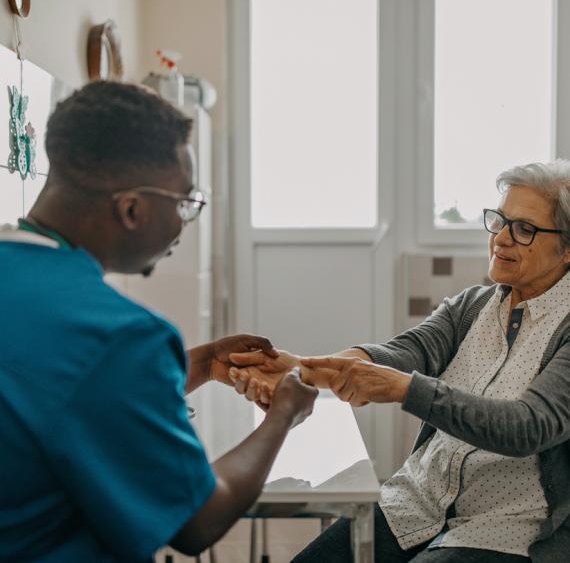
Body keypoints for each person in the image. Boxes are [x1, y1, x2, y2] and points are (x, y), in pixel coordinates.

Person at [0, 81, 318, 562]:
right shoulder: (122, 334)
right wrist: (284, 415)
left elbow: (63, 390)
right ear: (132, 208)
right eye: (185, 203)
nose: (183, 224)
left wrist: (208, 361)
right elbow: (197, 521)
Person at [229, 160, 570, 562]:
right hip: (414, 504)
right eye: (499, 221)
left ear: (567, 250)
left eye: (525, 229)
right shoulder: (470, 307)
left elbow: (526, 428)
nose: (501, 238)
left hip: (505, 531)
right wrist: (303, 369)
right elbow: (405, 352)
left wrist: (404, 388)